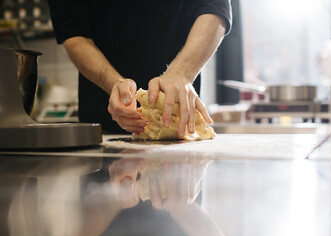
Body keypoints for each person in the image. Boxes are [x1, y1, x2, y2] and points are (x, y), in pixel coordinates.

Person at [47, 0, 232, 137]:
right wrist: (114, 84)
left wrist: (181, 73)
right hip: (103, 129)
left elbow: (214, 9)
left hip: (179, 119)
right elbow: (74, 34)